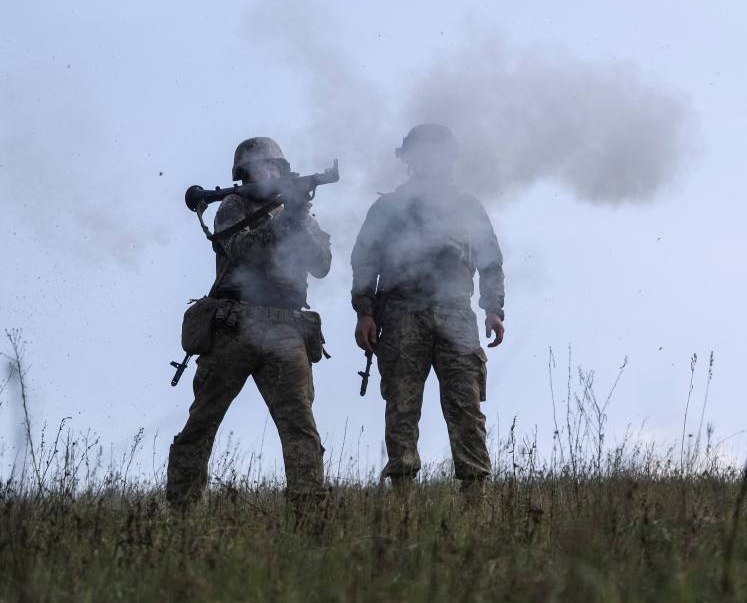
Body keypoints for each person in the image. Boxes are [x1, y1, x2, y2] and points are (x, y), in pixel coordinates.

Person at [166, 137, 331, 508]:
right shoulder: (234, 205)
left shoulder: (299, 213)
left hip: (285, 327)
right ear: (245, 174)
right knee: (202, 423)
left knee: (300, 426)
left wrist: (298, 215)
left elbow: (321, 264)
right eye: (258, 168)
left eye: (273, 167)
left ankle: (309, 512)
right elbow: (242, 251)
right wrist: (285, 218)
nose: (267, 173)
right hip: (235, 324)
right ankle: (181, 510)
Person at [350, 124, 505, 495]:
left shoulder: (467, 207)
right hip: (401, 312)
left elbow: (490, 260)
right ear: (410, 159)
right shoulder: (387, 208)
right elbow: (364, 262)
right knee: (401, 407)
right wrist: (364, 312)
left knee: (465, 405)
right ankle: (402, 499)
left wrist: (493, 309)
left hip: (455, 310)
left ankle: (474, 496)